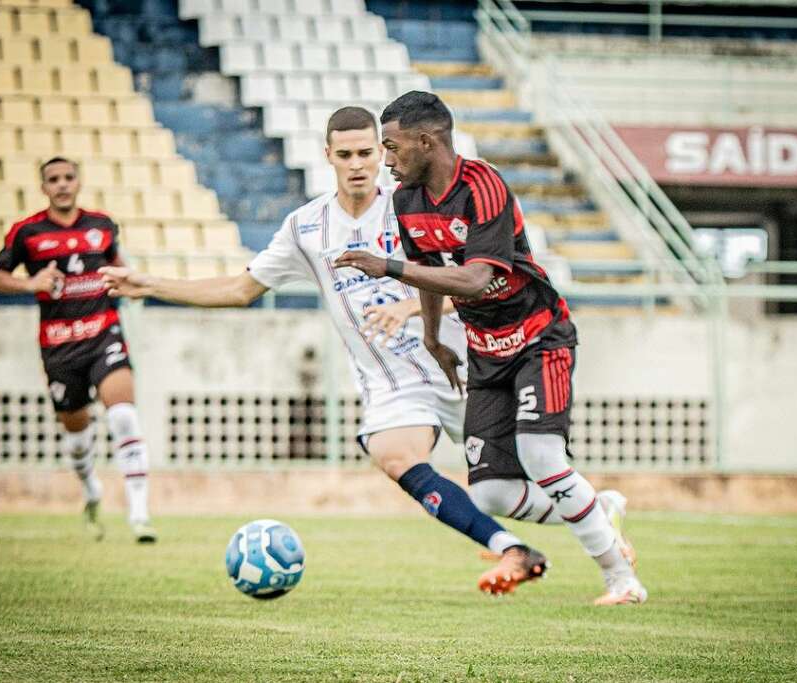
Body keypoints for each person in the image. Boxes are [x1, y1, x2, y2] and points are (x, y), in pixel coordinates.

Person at [101, 107, 557, 593]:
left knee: (513, 484)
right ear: (328, 157)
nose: (358, 164)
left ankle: (594, 515)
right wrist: (148, 283)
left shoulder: (413, 206)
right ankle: (512, 549)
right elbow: (239, 289)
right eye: (345, 155)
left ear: (383, 152)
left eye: (367, 153)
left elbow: (475, 282)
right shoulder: (306, 227)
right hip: (391, 382)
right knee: (394, 455)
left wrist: (408, 308)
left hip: (460, 364)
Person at [333, 92, 647, 605]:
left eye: (391, 147)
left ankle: (621, 579)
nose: (386, 160)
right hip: (484, 351)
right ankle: (597, 507)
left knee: (542, 455)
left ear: (425, 141)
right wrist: (434, 339)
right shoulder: (405, 202)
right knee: (492, 493)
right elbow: (433, 277)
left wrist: (386, 266)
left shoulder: (483, 186)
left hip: (538, 336)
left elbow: (477, 279)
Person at [0, 157, 157, 544]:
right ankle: (90, 488)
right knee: (77, 434)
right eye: (54, 179)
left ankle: (140, 514)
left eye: (68, 177)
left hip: (104, 335)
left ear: (79, 182)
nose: (62, 184)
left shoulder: (102, 226)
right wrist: (32, 283)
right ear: (44, 187)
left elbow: (119, 265)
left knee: (124, 419)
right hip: (60, 346)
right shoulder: (26, 232)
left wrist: (129, 281)